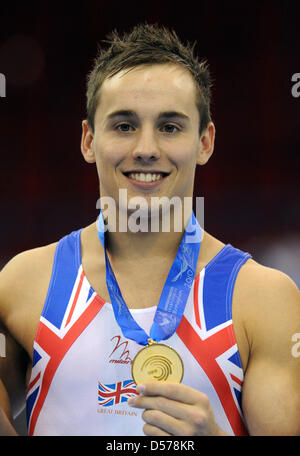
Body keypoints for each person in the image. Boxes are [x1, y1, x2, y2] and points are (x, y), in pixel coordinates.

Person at [0, 23, 300, 437]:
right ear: (88, 141)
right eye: (124, 125)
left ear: (205, 142)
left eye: (170, 126)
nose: (145, 148)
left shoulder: (265, 300)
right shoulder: (23, 283)